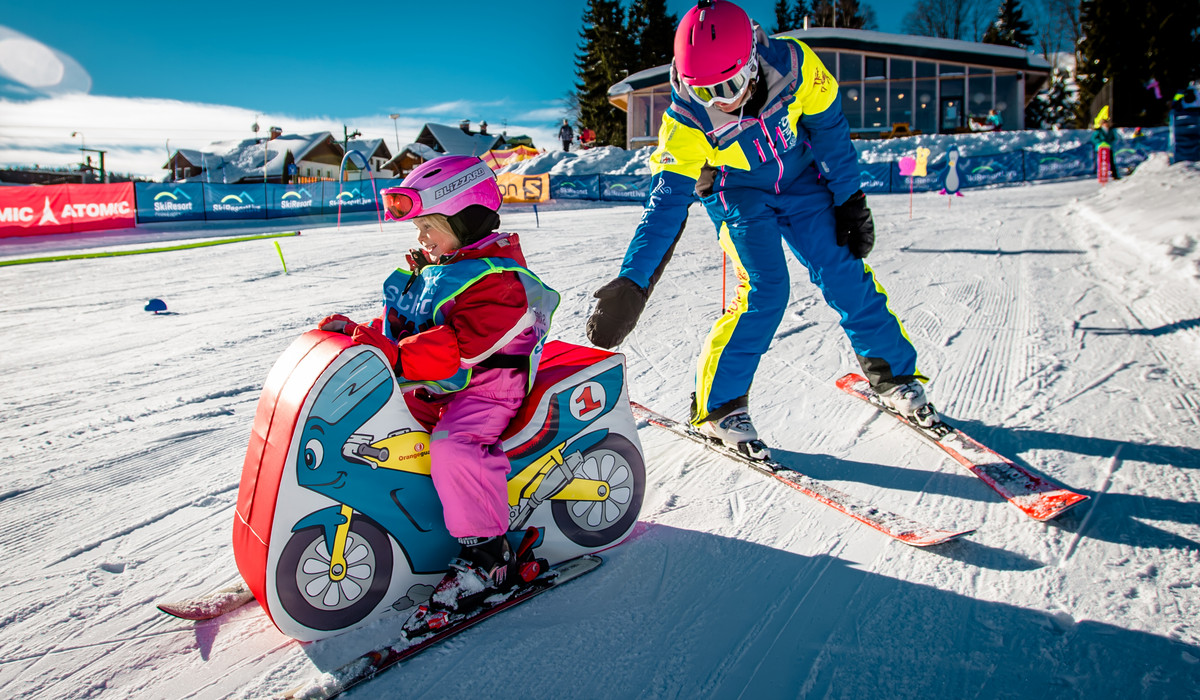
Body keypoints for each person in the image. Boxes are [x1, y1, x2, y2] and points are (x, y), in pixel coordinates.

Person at [585, 0, 937, 460]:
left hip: (801, 180)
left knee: (844, 271)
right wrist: (633, 282)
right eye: (705, 91)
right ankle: (719, 407)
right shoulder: (685, 121)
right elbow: (666, 205)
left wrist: (849, 198)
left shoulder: (795, 67)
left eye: (729, 85)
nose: (722, 102)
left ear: (752, 61)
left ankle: (893, 374)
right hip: (738, 192)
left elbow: (829, 128)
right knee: (766, 290)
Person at [317, 155, 559, 612]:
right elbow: (408, 327)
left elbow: (455, 347)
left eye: (429, 225)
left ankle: (489, 554)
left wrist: (392, 353)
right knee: (375, 428)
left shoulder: (499, 282)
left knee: (454, 444)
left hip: (489, 387)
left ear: (467, 219)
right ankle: (397, 522)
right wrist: (361, 337)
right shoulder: (437, 267)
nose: (422, 238)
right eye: (417, 229)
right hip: (439, 382)